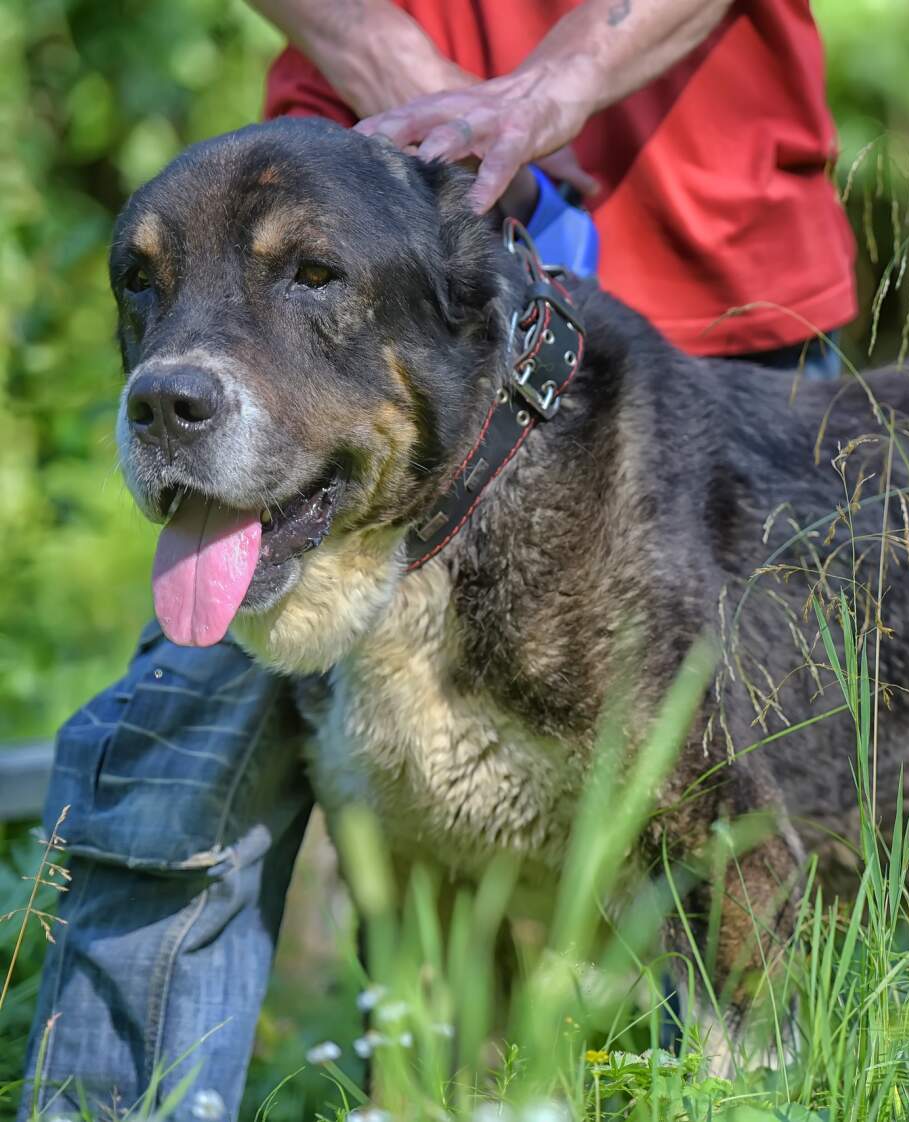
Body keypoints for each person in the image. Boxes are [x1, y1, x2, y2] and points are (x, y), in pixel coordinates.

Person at [20, 2, 856, 1117]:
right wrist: (390, 66)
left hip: (706, 240)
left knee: (746, 817)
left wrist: (558, 85)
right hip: (348, 198)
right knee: (172, 780)